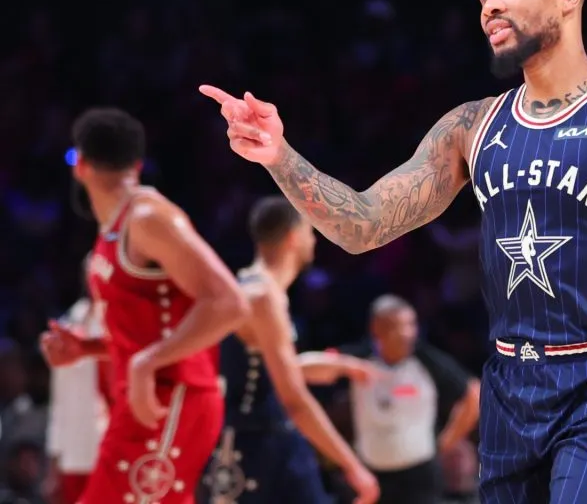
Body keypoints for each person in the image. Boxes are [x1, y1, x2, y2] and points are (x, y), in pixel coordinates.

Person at [199, 0, 587, 503]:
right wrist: (279, 155)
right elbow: (363, 225)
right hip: (510, 389)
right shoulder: (471, 127)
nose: (490, 5)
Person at [38, 107, 251, 504]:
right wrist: (87, 349)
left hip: (174, 397)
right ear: (136, 164)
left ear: (79, 165)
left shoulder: (149, 218)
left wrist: (147, 362)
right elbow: (148, 331)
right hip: (150, 400)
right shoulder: (114, 227)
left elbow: (230, 303)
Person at [202, 196, 379, 504]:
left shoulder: (249, 285)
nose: (315, 240)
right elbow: (294, 400)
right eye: (311, 232)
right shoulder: (264, 298)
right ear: (293, 237)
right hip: (259, 449)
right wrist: (352, 465)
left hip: (251, 443)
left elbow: (259, 368)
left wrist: (333, 365)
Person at [312, 295, 480, 504]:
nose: (405, 333)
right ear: (376, 328)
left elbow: (473, 393)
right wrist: (344, 366)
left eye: (411, 325)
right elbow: (309, 369)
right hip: (372, 474)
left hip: (419, 474)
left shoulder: (426, 360)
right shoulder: (359, 357)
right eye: (396, 326)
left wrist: (447, 441)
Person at [44, 254, 109, 504]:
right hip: (78, 448)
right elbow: (60, 401)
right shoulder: (70, 323)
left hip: (117, 440)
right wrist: (54, 460)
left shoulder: (125, 322)